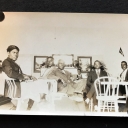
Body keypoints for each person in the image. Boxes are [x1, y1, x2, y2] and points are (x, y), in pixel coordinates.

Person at [2, 45, 37, 110]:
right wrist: (24, 77)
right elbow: (10, 74)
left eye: (17, 53)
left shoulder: (13, 63)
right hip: (14, 88)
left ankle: (26, 107)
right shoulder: (6, 62)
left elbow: (19, 74)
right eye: (14, 52)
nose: (16, 54)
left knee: (35, 87)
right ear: (8, 53)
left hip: (17, 85)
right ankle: (29, 109)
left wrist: (29, 76)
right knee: (35, 89)